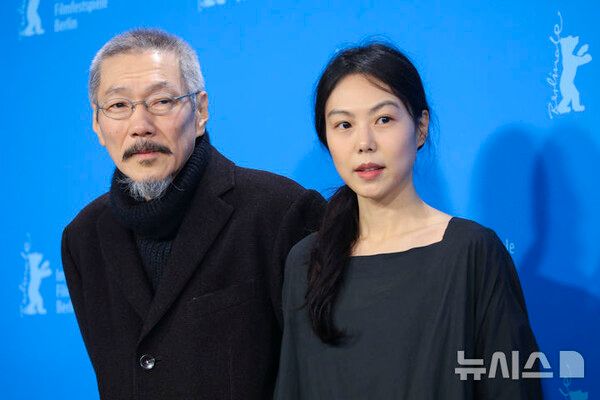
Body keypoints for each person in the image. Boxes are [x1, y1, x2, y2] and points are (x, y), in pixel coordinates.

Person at [61, 28, 325, 400]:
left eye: (161, 101)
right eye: (118, 106)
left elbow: (325, 376)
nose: (140, 126)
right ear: (97, 124)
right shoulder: (82, 239)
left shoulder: (280, 211)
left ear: (201, 111)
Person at [274, 43, 543, 399]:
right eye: (344, 125)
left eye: (383, 119)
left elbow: (512, 388)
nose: (364, 143)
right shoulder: (307, 262)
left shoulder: (472, 253)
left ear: (420, 127)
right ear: (327, 138)